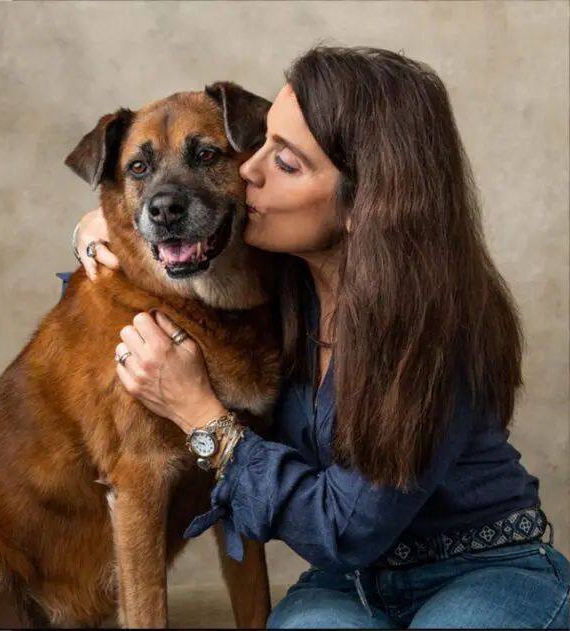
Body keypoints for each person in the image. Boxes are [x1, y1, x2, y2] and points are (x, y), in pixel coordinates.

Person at [70, 46, 568, 629]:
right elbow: (146, 253)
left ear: (364, 203)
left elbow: (344, 529)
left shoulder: (432, 321)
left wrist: (202, 416)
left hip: (483, 570)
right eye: (258, 144)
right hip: (347, 587)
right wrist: (102, 221)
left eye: (284, 163)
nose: (247, 169)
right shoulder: (275, 282)